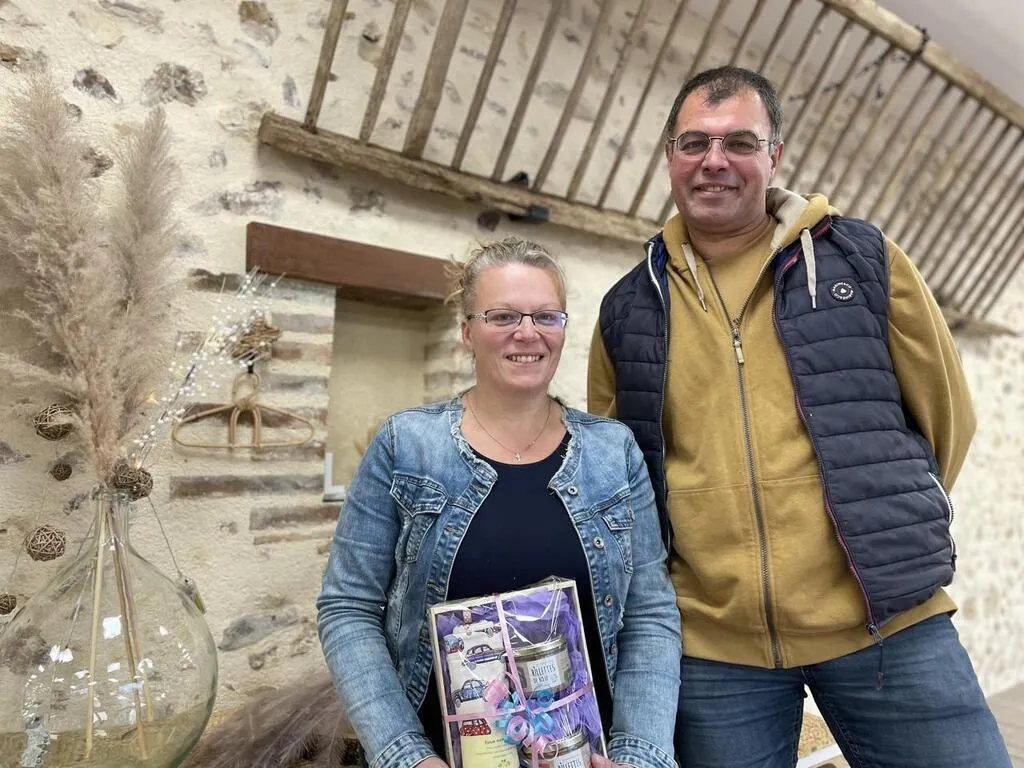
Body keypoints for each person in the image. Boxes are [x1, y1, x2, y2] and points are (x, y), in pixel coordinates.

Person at [588, 65, 1011, 768]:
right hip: (716, 652)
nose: (715, 160)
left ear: (775, 156)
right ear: (669, 156)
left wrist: (881, 526)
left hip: (888, 625)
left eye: (740, 142)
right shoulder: (630, 307)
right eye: (695, 142)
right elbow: (620, 473)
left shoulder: (863, 260)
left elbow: (946, 417)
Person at [318, 237, 681, 768]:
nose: (527, 333)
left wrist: (639, 754)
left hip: (586, 755)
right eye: (503, 316)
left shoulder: (613, 451)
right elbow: (347, 608)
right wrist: (404, 755)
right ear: (467, 330)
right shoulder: (407, 446)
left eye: (546, 316)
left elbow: (650, 613)